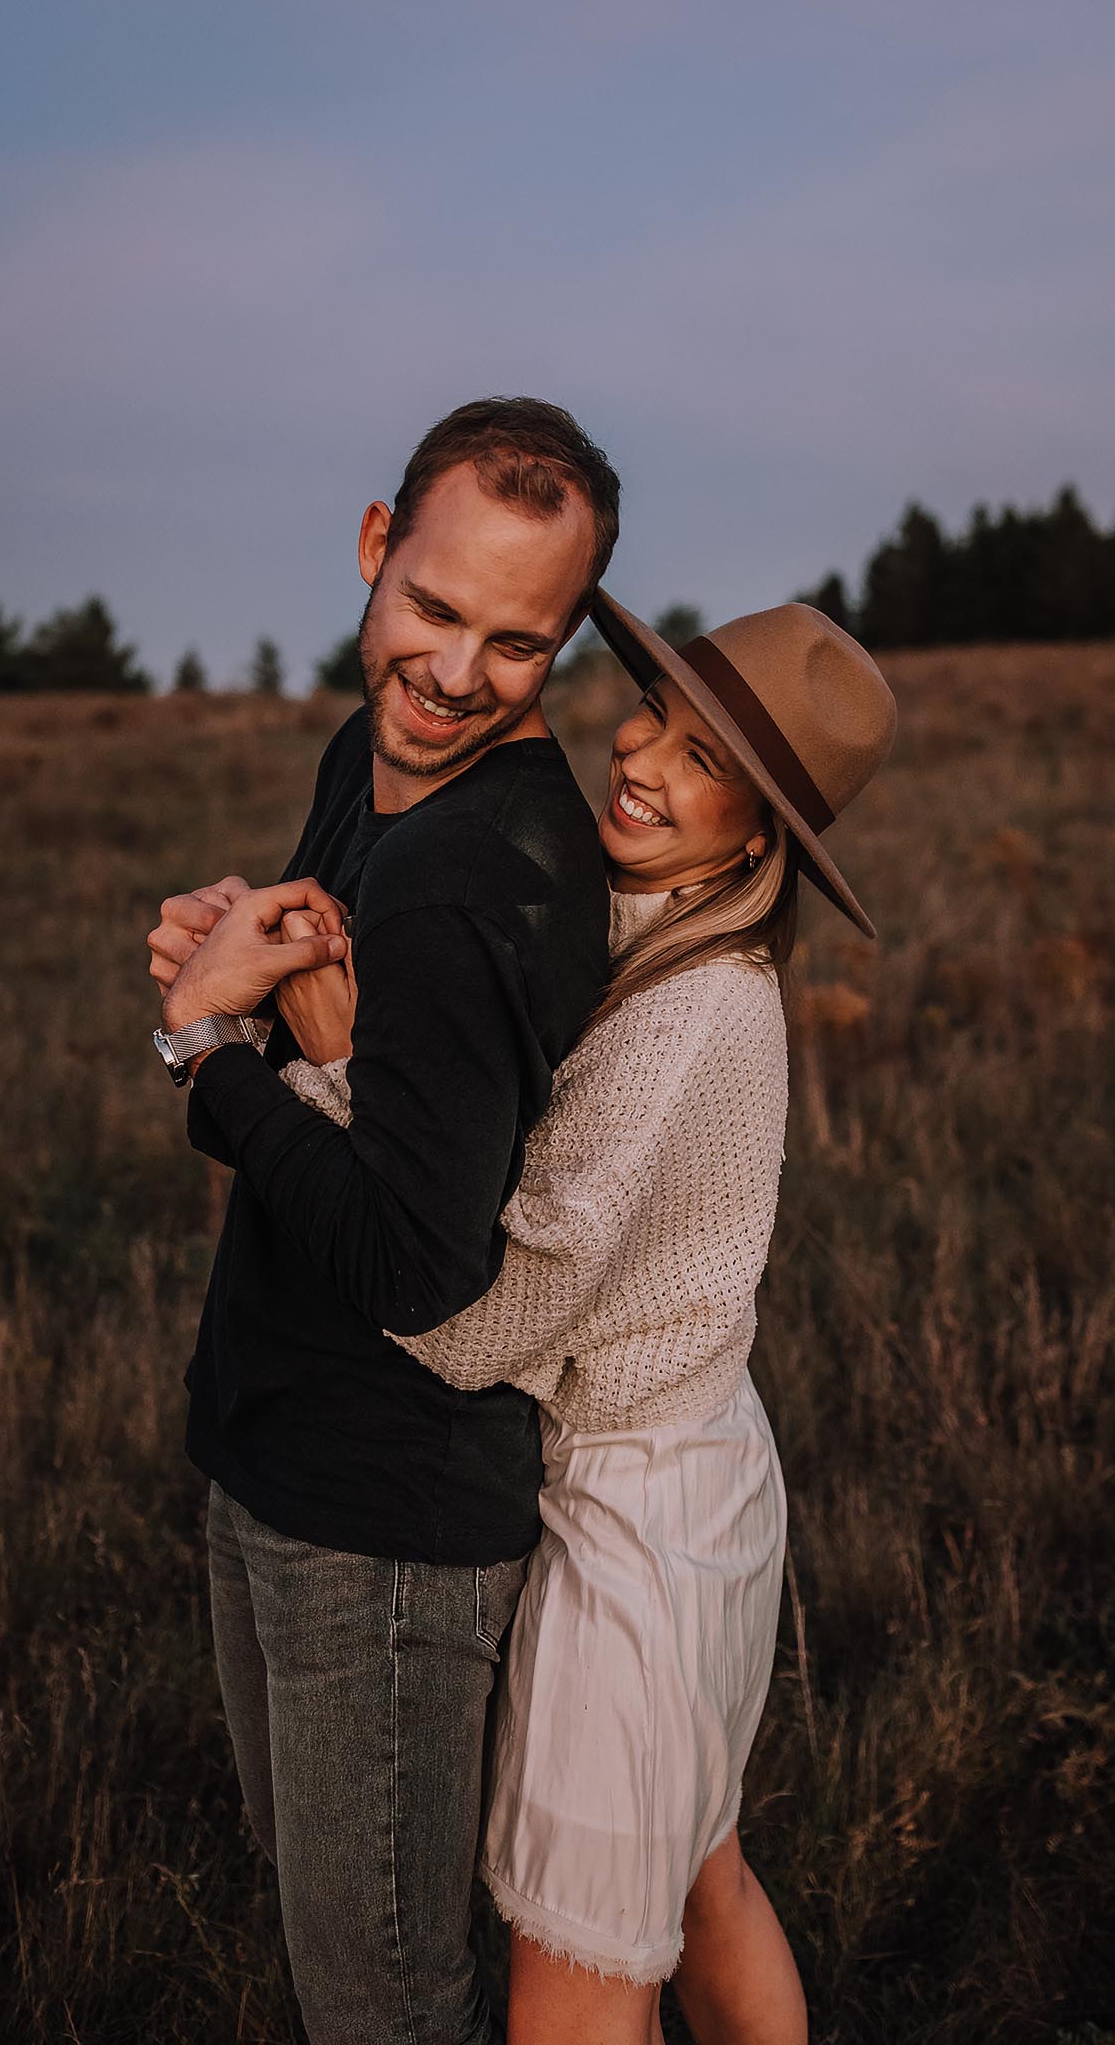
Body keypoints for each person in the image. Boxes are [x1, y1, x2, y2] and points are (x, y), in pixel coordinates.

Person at [267, 591, 898, 2044]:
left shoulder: (691, 1012)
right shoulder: (656, 927)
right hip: (703, 1470)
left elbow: (489, 1312)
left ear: (756, 839)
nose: (643, 761)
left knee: (578, 1974)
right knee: (699, 1878)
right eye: (656, 716)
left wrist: (338, 1071)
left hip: (639, 1537)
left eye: (705, 765)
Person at [145, 397, 622, 2045]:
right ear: (373, 548)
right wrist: (250, 953)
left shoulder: (488, 872)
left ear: (560, 643)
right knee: (326, 1948)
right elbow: (344, 1033)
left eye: (516, 642)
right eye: (431, 607)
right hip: (269, 1431)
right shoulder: (370, 760)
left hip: (386, 1519)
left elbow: (426, 1264)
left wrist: (204, 1057)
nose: (452, 672)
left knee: (385, 2006)